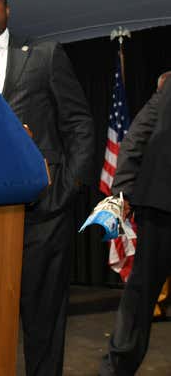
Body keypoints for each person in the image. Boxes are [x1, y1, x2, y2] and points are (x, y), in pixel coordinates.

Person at [0, 0, 95, 376]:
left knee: (43, 324)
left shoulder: (43, 55)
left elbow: (80, 125)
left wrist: (65, 189)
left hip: (43, 213)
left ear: (7, 10)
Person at [99, 74, 171, 375]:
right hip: (161, 204)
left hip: (159, 203)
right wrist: (124, 191)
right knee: (140, 294)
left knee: (139, 294)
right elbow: (136, 136)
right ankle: (117, 368)